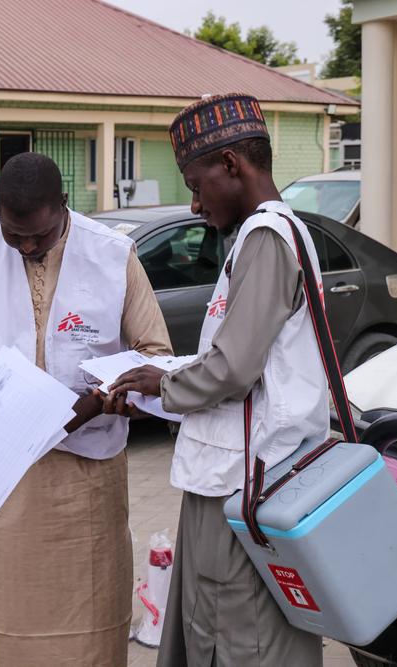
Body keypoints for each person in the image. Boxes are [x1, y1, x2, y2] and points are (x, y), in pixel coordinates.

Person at [0, 152, 173, 666]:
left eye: (40, 235)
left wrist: (100, 401)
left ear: (63, 207)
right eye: (15, 235)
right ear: (0, 214)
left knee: (90, 626)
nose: (28, 247)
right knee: (6, 622)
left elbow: (156, 357)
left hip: (85, 482)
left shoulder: (113, 256)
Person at [109, 94, 329, 666]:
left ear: (231, 165)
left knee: (239, 634)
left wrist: (162, 385)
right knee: (216, 621)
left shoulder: (266, 236)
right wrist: (159, 380)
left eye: (195, 182)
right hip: (233, 475)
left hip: (248, 479)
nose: (193, 201)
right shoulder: (268, 234)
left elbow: (233, 368)